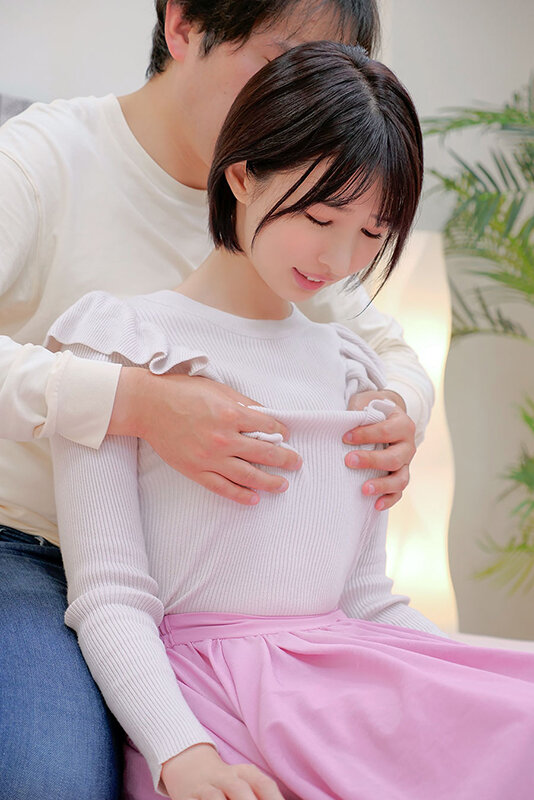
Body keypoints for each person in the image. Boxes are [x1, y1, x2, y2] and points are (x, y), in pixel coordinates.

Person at [47, 42, 534, 800]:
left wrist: (467, 682)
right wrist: (182, 754)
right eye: (320, 215)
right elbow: (110, 598)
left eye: (372, 233)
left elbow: (370, 600)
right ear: (243, 175)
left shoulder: (354, 371)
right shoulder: (123, 345)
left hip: (341, 688)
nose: (339, 257)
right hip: (206, 703)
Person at [0, 3, 432, 798]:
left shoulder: (302, 220)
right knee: (48, 776)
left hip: (198, 584)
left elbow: (391, 354)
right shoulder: (43, 159)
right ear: (184, 26)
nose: (298, 99)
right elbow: (114, 596)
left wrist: (396, 415)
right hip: (26, 544)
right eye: (281, 62)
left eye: (322, 74)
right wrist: (132, 402)